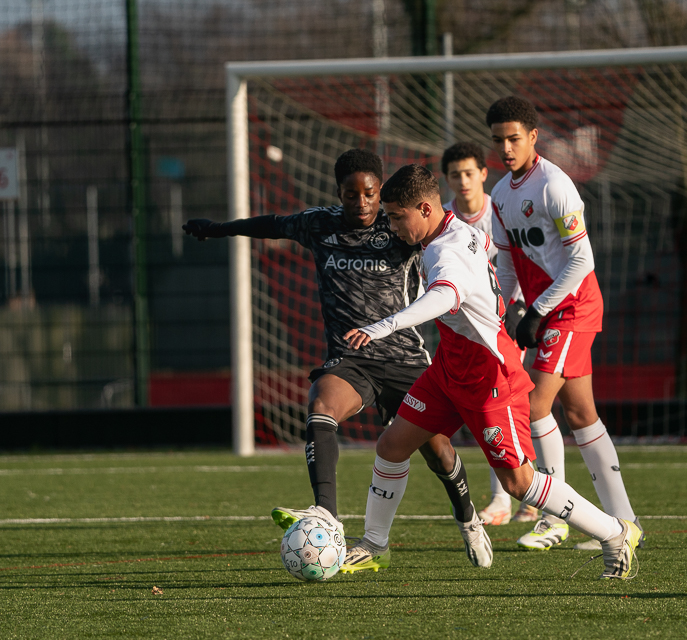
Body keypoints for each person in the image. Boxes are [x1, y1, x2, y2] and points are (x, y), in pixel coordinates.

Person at [182, 148, 490, 569]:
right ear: (338, 192)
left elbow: (450, 244)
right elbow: (272, 225)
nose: (361, 203)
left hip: (405, 358)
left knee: (437, 451)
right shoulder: (320, 224)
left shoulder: (401, 225)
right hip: (352, 357)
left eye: (370, 194)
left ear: (381, 191)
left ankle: (468, 517)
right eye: (351, 194)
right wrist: (219, 229)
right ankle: (326, 512)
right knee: (321, 405)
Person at [340, 164, 641, 580]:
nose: (391, 225)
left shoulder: (444, 250)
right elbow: (481, 257)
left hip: (489, 378)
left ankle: (614, 532)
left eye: (395, 216)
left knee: (519, 483)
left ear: (425, 209)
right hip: (449, 368)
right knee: (392, 446)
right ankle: (374, 544)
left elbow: (445, 296)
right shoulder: (456, 228)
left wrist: (385, 325)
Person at [486, 96, 644, 551]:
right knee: (580, 415)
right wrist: (512, 307)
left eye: (514, 138)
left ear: (533, 136)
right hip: (545, 310)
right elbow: (510, 264)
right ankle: (626, 523)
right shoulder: (501, 195)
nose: (506, 148)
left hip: (573, 307)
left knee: (534, 406)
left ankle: (552, 517)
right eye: (499, 140)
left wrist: (538, 310)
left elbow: (582, 259)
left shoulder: (555, 185)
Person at [441, 141, 537, 527]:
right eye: (454, 175)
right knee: (488, 411)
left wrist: (518, 307)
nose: (463, 181)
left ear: (483, 173)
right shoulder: (444, 221)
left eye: (469, 173)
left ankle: (527, 495)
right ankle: (506, 497)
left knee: (522, 408)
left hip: (508, 322)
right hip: (468, 330)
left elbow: (514, 260)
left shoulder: (498, 209)